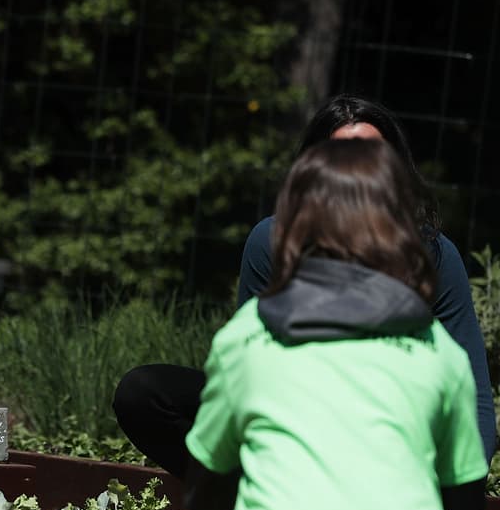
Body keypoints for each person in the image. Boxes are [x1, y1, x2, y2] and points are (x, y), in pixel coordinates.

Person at [176, 139, 488, 510]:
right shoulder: (439, 351)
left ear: (291, 223)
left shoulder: (249, 336)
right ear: (401, 224)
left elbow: (207, 487)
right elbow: (466, 499)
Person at [114, 94, 496, 478]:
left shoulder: (432, 254)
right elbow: (249, 373)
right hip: (293, 425)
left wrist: (462, 496)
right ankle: (248, 503)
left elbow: (471, 390)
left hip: (388, 437)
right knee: (145, 393)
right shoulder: (272, 242)